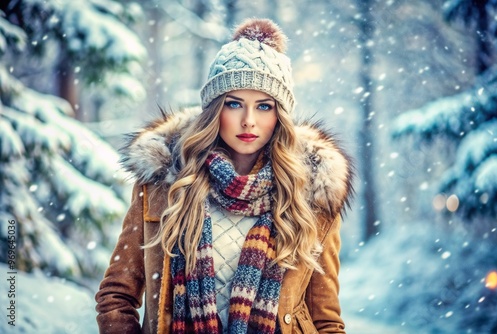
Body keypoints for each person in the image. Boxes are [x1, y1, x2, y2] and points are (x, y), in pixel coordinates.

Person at [95, 18, 354, 334]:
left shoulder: (309, 195)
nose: (248, 121)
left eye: (264, 106)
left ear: (280, 115)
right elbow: (116, 296)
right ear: (215, 109)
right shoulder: (164, 185)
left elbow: (326, 320)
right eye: (234, 104)